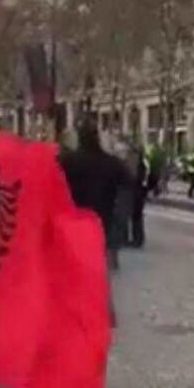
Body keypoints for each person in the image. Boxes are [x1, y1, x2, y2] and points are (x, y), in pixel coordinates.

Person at [59, 119, 130, 278]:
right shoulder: (111, 163)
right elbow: (128, 184)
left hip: (75, 219)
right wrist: (121, 213)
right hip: (102, 219)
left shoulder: (68, 162)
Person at [130, 147, 153, 248]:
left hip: (138, 191)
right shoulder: (143, 164)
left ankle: (138, 239)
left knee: (136, 216)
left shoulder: (141, 166)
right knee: (136, 216)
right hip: (138, 191)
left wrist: (146, 189)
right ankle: (137, 238)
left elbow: (144, 178)